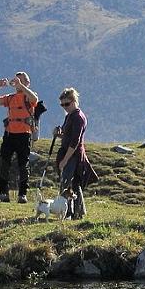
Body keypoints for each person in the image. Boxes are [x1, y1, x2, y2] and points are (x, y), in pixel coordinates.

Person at [0, 72, 40, 204]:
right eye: (16, 81)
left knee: (23, 165)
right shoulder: (10, 98)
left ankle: (22, 194)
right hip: (9, 134)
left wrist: (22, 86)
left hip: (24, 134)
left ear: (27, 83)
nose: (17, 83)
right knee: (5, 163)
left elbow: (34, 99)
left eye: (21, 80)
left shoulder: (28, 97)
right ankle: (3, 193)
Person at [54, 88, 90, 220]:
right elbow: (67, 136)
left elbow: (75, 141)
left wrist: (65, 159)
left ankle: (70, 212)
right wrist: (58, 134)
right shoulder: (69, 116)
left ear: (74, 101)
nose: (65, 107)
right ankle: (75, 212)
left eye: (67, 104)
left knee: (67, 183)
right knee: (72, 184)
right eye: (62, 105)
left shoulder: (79, 118)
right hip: (67, 152)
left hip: (73, 155)